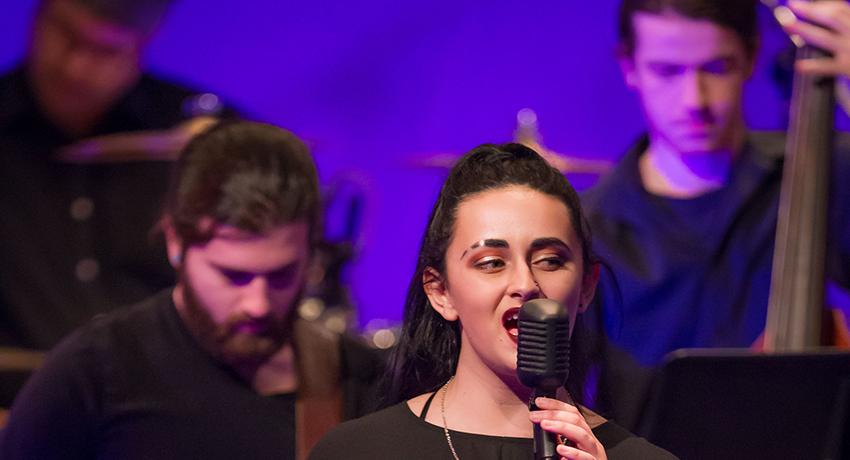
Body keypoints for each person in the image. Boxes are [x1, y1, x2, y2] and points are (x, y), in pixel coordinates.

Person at [0, 121, 384, 459]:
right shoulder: (91, 375)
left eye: (282, 275)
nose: (258, 303)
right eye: (233, 276)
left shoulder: (358, 379)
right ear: (175, 243)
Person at [581, 0, 850, 431]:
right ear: (629, 66)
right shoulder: (586, 231)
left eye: (717, 68)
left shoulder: (826, 174)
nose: (694, 100)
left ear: (751, 56)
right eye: (667, 71)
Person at [310, 144, 677, 459]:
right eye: (491, 263)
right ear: (440, 291)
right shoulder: (358, 451)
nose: (525, 284)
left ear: (586, 286)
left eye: (550, 260)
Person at [0, 0, 231, 350]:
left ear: (142, 43)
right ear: (37, 15)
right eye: (65, 35)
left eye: (105, 49)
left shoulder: (200, 137)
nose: (74, 67)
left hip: (159, 393)